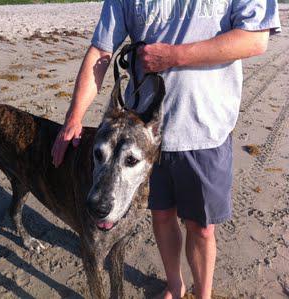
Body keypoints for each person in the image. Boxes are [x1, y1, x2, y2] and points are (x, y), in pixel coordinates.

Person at [51, 0, 281, 298]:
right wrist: (74, 118)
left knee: (201, 227)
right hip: (141, 140)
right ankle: (175, 285)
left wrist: (175, 56)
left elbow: (255, 38)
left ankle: (203, 294)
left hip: (204, 130)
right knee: (161, 217)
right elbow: (101, 50)